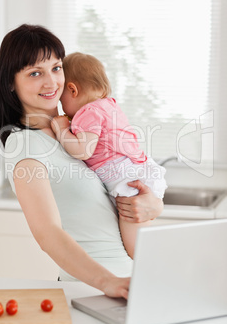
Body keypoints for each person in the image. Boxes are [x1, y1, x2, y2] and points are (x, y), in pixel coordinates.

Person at [0, 24, 163, 299]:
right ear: (11, 83)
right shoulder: (25, 145)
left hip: (135, 284)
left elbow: (112, 192)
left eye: (56, 68)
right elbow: (47, 232)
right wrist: (107, 282)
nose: (51, 83)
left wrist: (153, 205)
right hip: (96, 291)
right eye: (35, 73)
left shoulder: (75, 132)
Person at [51, 52, 167, 257]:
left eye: (62, 100)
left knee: (138, 252)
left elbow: (83, 150)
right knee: (144, 245)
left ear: (72, 89)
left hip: (126, 181)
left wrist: (62, 131)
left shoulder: (88, 112)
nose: (62, 108)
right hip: (135, 172)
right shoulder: (109, 105)